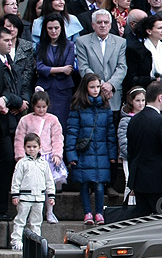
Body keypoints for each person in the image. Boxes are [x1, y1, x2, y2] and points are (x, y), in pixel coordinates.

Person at [65, 73, 117, 224]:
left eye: (98, 87)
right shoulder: (78, 106)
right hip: (84, 151)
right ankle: (87, 212)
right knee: (84, 184)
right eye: (92, 87)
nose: (95, 90)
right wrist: (71, 155)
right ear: (85, 87)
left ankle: (99, 213)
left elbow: (110, 132)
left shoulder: (105, 106)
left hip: (101, 151)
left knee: (100, 185)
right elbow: (72, 131)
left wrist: (112, 154)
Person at [126, 81, 162, 215]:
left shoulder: (134, 120)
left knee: (143, 221)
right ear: (160, 97)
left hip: (139, 181)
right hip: (159, 181)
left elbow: (130, 152)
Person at [14, 92, 65, 223]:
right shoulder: (25, 120)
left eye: (43, 107)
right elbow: (19, 138)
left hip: (48, 157)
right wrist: (20, 155)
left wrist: (57, 153)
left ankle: (50, 212)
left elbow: (57, 138)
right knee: (31, 184)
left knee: (48, 185)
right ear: (33, 106)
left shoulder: (52, 119)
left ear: (48, 106)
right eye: (38, 107)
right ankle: (31, 213)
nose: (41, 110)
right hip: (30, 157)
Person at [0, 26, 29, 217]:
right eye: (6, 41)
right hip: (2, 124)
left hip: (11, 122)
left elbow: (18, 88)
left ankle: (2, 208)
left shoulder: (9, 61)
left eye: (11, 40)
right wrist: (9, 99)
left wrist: (20, 101)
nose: (11, 44)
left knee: (7, 164)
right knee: (5, 162)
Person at [8, 132, 54, 249]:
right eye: (29, 147)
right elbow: (16, 180)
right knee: (20, 220)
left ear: (40, 147)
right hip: (25, 197)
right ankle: (16, 241)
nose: (32, 149)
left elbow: (49, 180)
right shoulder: (22, 163)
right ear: (24, 148)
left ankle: (36, 242)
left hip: (39, 197)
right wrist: (15, 195)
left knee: (37, 221)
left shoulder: (44, 164)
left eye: (34, 147)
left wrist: (51, 195)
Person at [76, 9, 128, 112]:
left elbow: (122, 67)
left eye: (106, 22)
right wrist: (100, 85)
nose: (103, 25)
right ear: (93, 25)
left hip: (113, 94)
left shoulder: (120, 42)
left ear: (110, 24)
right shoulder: (82, 42)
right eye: (99, 22)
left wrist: (110, 85)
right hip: (91, 94)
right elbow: (83, 67)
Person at [34, 13, 77, 130]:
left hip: (63, 90)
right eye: (50, 28)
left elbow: (68, 69)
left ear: (61, 28)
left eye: (56, 28)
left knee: (61, 123)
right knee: (43, 123)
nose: (53, 31)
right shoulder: (40, 45)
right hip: (45, 88)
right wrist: (60, 69)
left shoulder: (69, 45)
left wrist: (50, 70)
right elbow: (39, 67)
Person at [125, 15, 162, 94]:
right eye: (159, 28)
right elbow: (132, 79)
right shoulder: (135, 51)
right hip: (143, 93)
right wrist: (152, 80)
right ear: (149, 31)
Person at [117, 86, 146, 191]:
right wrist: (130, 153)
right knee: (129, 182)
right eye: (137, 100)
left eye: (143, 100)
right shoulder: (126, 120)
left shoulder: (147, 118)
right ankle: (128, 205)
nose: (141, 103)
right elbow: (123, 140)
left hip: (144, 156)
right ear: (131, 101)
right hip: (129, 156)